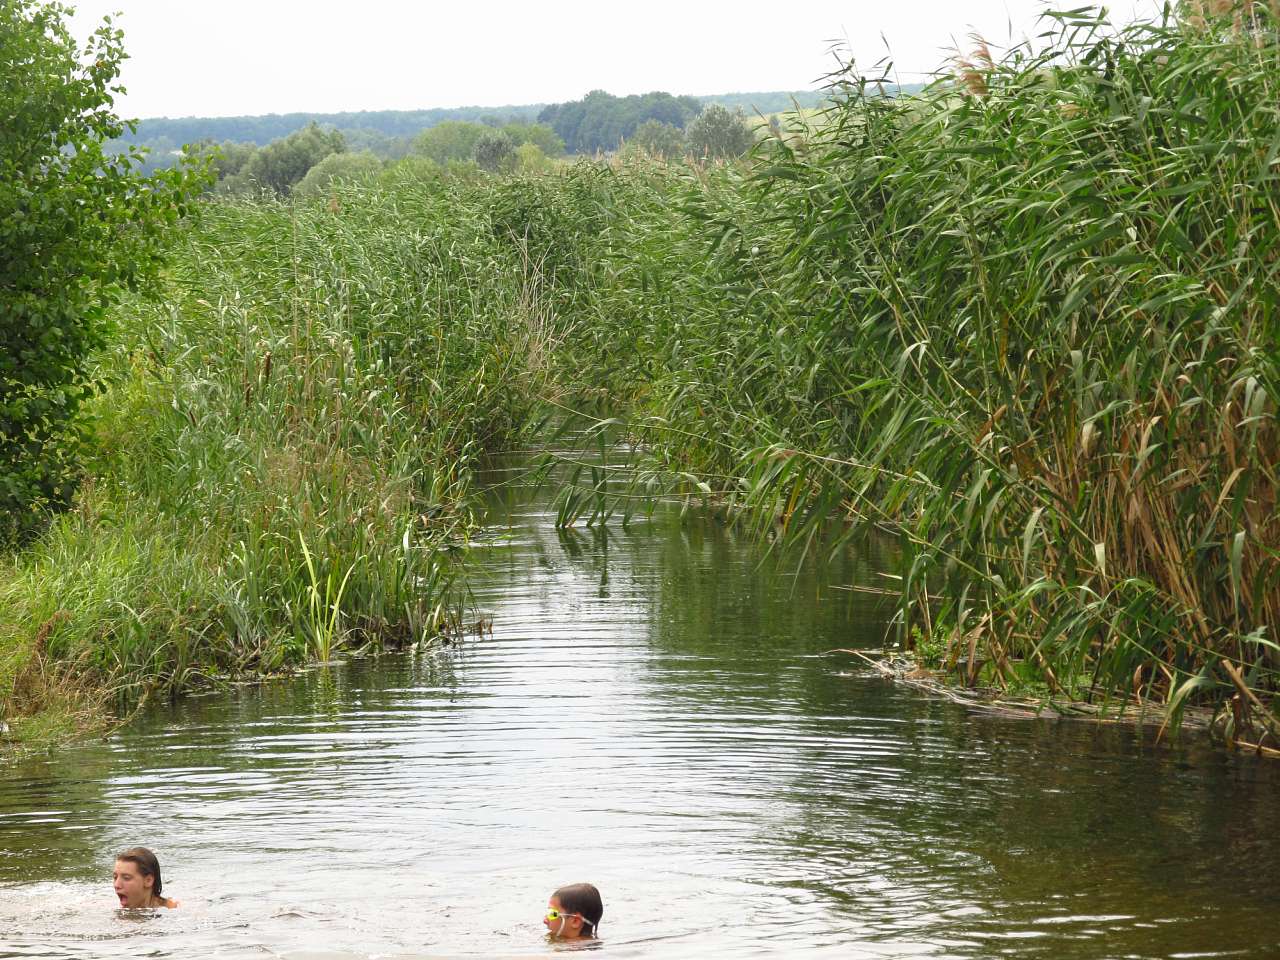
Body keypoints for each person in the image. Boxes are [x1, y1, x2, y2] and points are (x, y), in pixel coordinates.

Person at [113, 847, 178, 909]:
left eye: (126, 878)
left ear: (148, 881)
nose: (116, 885)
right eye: (115, 877)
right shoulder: (110, 906)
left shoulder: (173, 911)